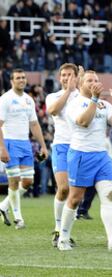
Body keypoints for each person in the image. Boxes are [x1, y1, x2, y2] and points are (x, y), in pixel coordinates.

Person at [57, 70, 112, 251]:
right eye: (89, 80)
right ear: (81, 83)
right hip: (80, 155)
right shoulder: (75, 104)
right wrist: (94, 99)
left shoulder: (104, 104)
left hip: (101, 156)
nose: (93, 82)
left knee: (108, 196)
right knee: (75, 199)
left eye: (96, 80)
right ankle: (63, 238)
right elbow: (84, 121)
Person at [0, 69, 48, 229]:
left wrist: (43, 145)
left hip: (25, 144)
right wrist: (2, 148)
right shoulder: (5, 99)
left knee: (27, 182)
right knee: (14, 182)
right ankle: (18, 218)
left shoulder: (29, 100)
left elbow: (34, 124)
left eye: (23, 77)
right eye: (18, 78)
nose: (21, 80)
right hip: (9, 143)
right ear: (12, 81)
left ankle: (3, 206)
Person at [45, 63, 79, 246]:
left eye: (70, 75)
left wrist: (78, 88)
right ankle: (58, 229)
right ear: (60, 78)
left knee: (75, 194)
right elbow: (53, 110)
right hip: (61, 146)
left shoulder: (82, 96)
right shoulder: (53, 96)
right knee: (64, 188)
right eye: (63, 75)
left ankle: (66, 233)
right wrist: (68, 90)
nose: (66, 78)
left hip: (80, 147)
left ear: (76, 77)